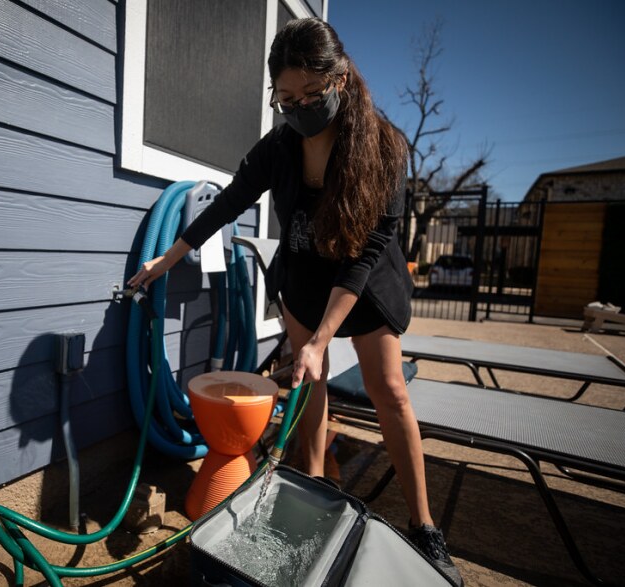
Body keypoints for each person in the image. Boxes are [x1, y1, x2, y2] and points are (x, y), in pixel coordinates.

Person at [128, 17, 462, 586]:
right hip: (306, 276)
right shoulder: (281, 146)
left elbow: (369, 251)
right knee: (311, 384)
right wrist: (167, 258)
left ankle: (426, 525)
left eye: (311, 93)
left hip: (365, 280)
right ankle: (313, 496)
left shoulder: (382, 147)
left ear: (340, 78)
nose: (300, 106)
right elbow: (228, 202)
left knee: (389, 390)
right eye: (286, 98)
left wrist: (324, 339)